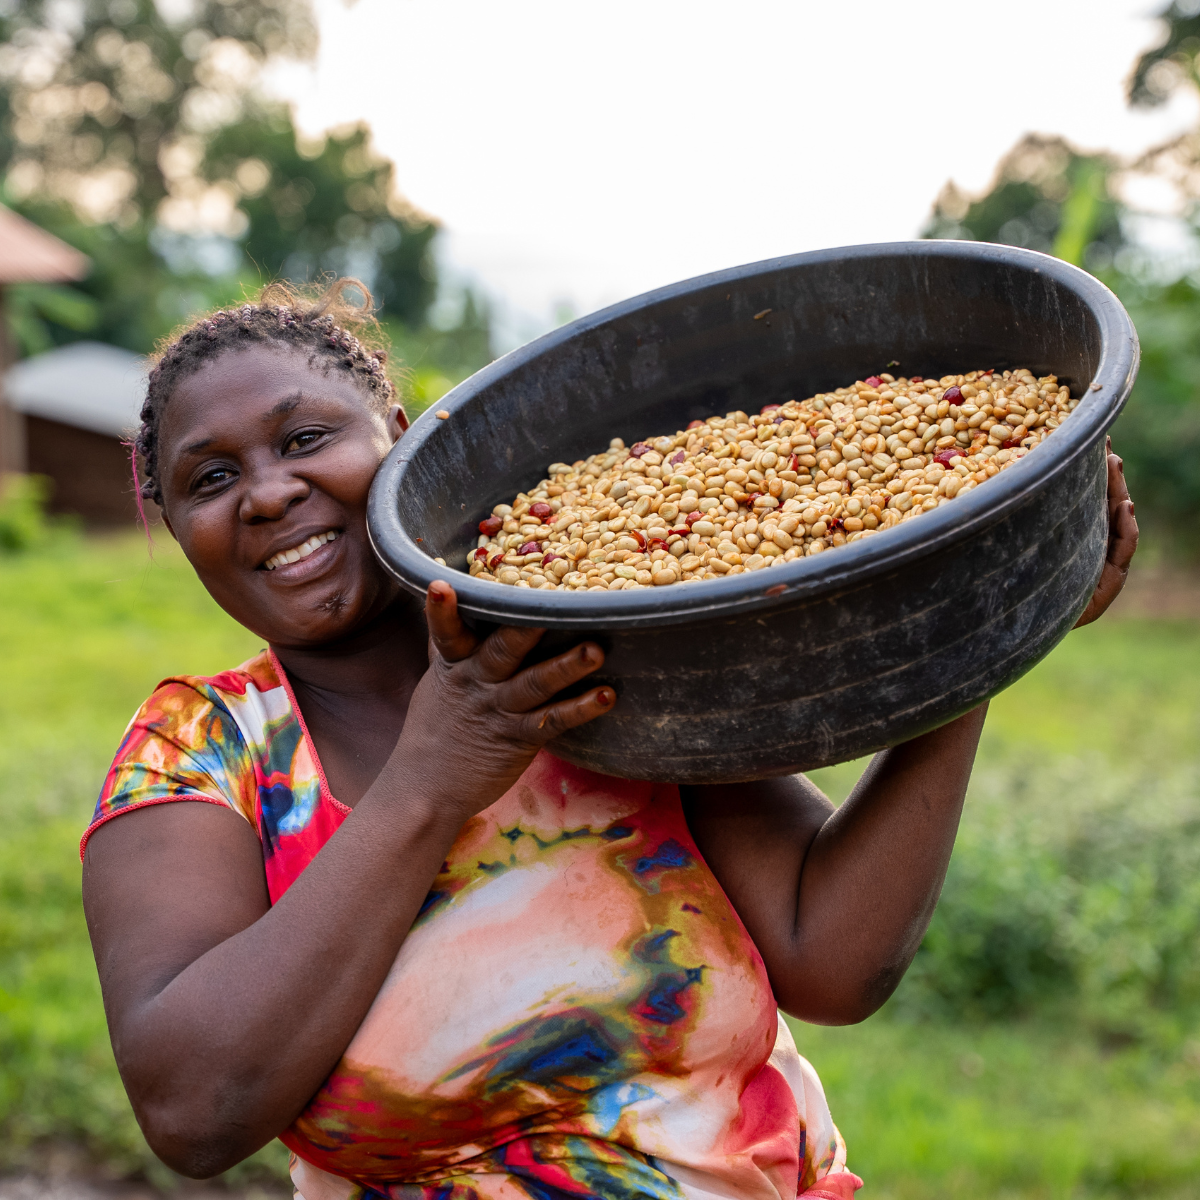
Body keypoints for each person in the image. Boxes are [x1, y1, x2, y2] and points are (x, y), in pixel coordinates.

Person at [81, 280, 1138, 1200]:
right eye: (210, 478)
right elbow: (195, 1111)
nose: (269, 492)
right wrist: (431, 781)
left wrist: (980, 628)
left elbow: (836, 958)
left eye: (307, 438)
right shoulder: (201, 752)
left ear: (400, 436)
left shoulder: (588, 647)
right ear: (167, 516)